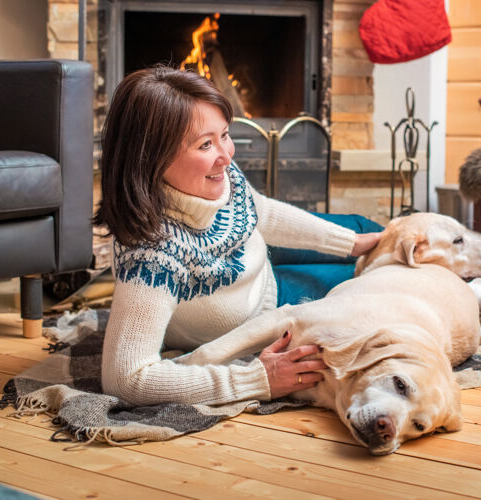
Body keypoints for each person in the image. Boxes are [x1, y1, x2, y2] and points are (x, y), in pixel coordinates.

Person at [94, 66, 382, 407]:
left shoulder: (214, 171)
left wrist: (350, 243)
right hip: (262, 308)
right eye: (205, 144)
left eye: (225, 135)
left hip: (255, 260)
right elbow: (125, 380)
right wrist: (256, 379)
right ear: (151, 158)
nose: (227, 155)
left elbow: (260, 211)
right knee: (374, 280)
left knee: (369, 232)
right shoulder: (153, 260)